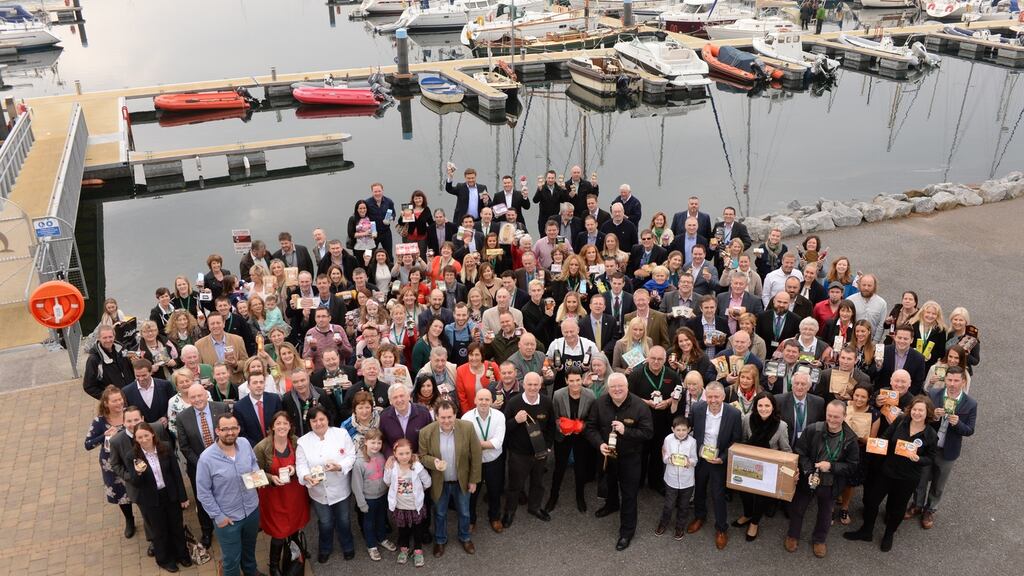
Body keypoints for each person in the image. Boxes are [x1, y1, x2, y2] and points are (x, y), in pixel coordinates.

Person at [844, 395, 937, 551]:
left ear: (927, 413)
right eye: (915, 409)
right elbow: (886, 437)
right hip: (887, 471)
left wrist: (918, 459)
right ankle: (866, 531)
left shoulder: (930, 434)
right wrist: (876, 444)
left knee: (897, 508)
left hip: (907, 477)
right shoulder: (901, 421)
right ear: (910, 410)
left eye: (921, 410)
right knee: (872, 501)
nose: (917, 413)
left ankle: (889, 535)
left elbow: (931, 458)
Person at [586, 372, 654, 550]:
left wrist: (626, 431)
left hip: (630, 458)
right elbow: (590, 428)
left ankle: (627, 532)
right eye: (613, 387)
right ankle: (611, 505)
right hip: (608, 455)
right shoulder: (599, 403)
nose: (616, 390)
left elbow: (648, 433)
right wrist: (599, 444)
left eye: (620, 386)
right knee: (609, 483)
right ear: (608, 388)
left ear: (627, 387)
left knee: (629, 495)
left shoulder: (640, 406)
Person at [785, 400, 859, 558]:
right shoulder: (813, 429)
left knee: (825, 514)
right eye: (829, 415)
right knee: (798, 509)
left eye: (836, 417)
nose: (832, 420)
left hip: (831, 484)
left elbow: (852, 466)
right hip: (809, 478)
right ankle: (793, 535)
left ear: (844, 416)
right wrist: (808, 471)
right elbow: (800, 452)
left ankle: (819, 540)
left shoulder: (851, 439)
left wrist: (831, 467)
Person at [119, 423, 192, 573]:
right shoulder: (132, 456)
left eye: (146, 435)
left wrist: (183, 497)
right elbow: (136, 483)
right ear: (136, 439)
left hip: (170, 494)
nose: (144, 439)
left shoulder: (165, 447)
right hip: (151, 499)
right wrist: (138, 473)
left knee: (177, 526)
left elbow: (176, 474)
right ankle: (165, 559)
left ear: (152, 434)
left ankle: (182, 554)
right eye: (140, 437)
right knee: (160, 531)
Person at [196, 413, 262, 576]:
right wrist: (218, 517)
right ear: (217, 431)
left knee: (249, 550)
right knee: (231, 559)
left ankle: (250, 571)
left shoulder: (245, 444)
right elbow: (203, 492)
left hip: (251, 510)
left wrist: (255, 474)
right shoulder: (206, 458)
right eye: (225, 429)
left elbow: (253, 462)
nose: (230, 432)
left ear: (238, 429)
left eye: (234, 428)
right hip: (228, 518)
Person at [910, 367, 976, 530]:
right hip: (928, 447)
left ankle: (930, 510)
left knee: (939, 484)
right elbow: (920, 420)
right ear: (945, 380)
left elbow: (969, 430)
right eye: (949, 380)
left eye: (956, 380)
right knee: (921, 478)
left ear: (963, 381)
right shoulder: (933, 395)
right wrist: (933, 417)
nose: (952, 384)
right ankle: (917, 505)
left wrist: (958, 423)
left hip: (948, 451)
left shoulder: (971, 403)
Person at [418, 399, 482, 557]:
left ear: (455, 415)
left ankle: (465, 537)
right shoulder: (426, 432)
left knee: (465, 512)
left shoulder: (467, 427)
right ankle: (440, 540)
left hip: (462, 480)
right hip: (440, 482)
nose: (446, 421)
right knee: (440, 513)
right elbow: (422, 456)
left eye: (450, 417)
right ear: (436, 417)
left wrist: (473, 480)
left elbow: (476, 454)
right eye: (442, 417)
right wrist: (434, 462)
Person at [686, 382, 742, 550]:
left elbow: (736, 440)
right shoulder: (697, 408)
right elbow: (688, 427)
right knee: (700, 489)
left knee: (718, 494)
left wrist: (723, 458)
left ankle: (721, 528)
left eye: (716, 396)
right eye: (710, 396)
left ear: (723, 397)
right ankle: (699, 516)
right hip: (701, 457)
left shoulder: (733, 413)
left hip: (718, 459)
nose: (713, 400)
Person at [297, 406, 358, 562]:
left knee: (344, 520)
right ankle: (325, 548)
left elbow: (351, 456)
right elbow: (301, 465)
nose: (318, 423)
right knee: (325, 522)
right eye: (314, 420)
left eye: (321, 419)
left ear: (327, 419)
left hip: (340, 488)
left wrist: (339, 466)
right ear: (309, 423)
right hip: (318, 491)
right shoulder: (303, 441)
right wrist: (306, 477)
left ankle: (347, 546)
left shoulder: (341, 434)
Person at [254, 411, 311, 575]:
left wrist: (295, 469)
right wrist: (271, 478)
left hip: (295, 494)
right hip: (274, 496)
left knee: (294, 526)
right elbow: (253, 473)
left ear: (290, 426)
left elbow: (304, 463)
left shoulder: (296, 442)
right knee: (279, 532)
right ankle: (273, 565)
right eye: (278, 423)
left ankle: (294, 552)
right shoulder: (262, 447)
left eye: (285, 423)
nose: (282, 426)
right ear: (272, 426)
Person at [175, 383, 230, 548]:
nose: (197, 399)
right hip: (198, 467)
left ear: (206, 395)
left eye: (200, 395)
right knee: (203, 500)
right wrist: (202, 464)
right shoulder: (182, 417)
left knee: (227, 493)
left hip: (225, 463)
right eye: (193, 397)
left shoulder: (222, 408)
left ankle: (231, 522)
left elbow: (230, 434)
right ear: (189, 399)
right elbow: (184, 446)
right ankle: (207, 532)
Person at [734, 392, 791, 541]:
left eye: (767, 405)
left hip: (768, 469)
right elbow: (743, 440)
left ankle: (754, 522)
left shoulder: (781, 426)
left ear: (773, 407)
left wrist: (790, 469)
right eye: (760, 405)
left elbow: (785, 450)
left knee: (760, 497)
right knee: (744, 492)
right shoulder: (747, 419)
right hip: (749, 464)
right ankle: (747, 514)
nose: (763, 408)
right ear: (755, 406)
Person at [502, 372, 555, 527]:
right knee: (515, 485)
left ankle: (535, 507)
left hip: (540, 452)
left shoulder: (546, 402)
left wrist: (549, 446)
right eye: (529, 384)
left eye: (535, 384)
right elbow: (503, 427)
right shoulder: (513, 402)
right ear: (523, 385)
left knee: (538, 482)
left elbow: (551, 426)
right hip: (519, 453)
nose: (532, 387)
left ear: (540, 385)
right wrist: (515, 421)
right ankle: (510, 511)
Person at [83, 386, 134, 539]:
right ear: (106, 403)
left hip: (132, 458)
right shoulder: (100, 421)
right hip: (112, 462)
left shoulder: (130, 413)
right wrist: (103, 435)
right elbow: (88, 444)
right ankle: (129, 520)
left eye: (120, 399)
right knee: (121, 493)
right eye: (114, 401)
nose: (119, 403)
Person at [549, 367, 596, 513]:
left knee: (580, 468)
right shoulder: (557, 395)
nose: (575, 384)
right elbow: (554, 417)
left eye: (577, 380)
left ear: (582, 379)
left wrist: (581, 426)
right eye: (571, 381)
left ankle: (580, 496)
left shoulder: (590, 395)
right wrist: (561, 427)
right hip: (563, 436)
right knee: (559, 468)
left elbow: (592, 419)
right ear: (566, 381)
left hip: (581, 437)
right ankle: (553, 496)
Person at [462, 388, 507, 532]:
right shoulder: (466, 418)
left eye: (487, 399)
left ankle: (494, 517)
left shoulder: (499, 416)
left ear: (492, 401)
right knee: (472, 493)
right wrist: (485, 444)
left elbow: (497, 443)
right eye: (480, 399)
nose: (483, 402)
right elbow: (465, 444)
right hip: (474, 462)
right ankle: (471, 520)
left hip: (494, 461)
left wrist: (475, 444)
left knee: (494, 491)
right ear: (475, 400)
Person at [384, 438, 432, 567]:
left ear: (412, 453)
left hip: (415, 505)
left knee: (418, 529)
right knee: (403, 530)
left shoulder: (417, 466)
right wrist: (388, 470)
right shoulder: (392, 466)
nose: (404, 457)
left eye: (407, 453)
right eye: (400, 454)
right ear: (395, 454)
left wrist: (420, 491)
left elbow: (427, 481)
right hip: (400, 506)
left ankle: (417, 550)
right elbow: (387, 481)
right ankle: (404, 549)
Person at [350, 429, 395, 562]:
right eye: (372, 442)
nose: (376, 446)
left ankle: (382, 538)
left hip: (382, 496)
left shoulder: (381, 457)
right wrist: (361, 503)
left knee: (381, 518)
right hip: (368, 499)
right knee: (368, 523)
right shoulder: (359, 462)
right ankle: (371, 545)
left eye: (379, 443)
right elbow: (356, 485)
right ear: (366, 442)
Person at [658, 416, 697, 540]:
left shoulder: (693, 441)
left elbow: (695, 459)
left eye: (684, 430)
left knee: (684, 506)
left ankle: (680, 526)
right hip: (671, 479)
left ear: (689, 429)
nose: (681, 433)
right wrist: (669, 459)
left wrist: (689, 462)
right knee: (669, 505)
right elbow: (664, 456)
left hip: (687, 480)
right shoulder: (668, 439)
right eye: (678, 430)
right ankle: (663, 523)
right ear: (672, 429)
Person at [379, 383, 433, 458]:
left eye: (402, 396)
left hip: (419, 459)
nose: (399, 400)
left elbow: (430, 438)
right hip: (396, 460)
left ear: (409, 397)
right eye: (395, 397)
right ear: (390, 401)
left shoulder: (423, 413)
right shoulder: (384, 417)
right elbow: (383, 441)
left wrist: (419, 455)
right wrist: (390, 455)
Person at [874, 324, 928, 395]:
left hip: (905, 399)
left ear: (911, 340)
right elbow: (872, 375)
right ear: (895, 337)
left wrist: (903, 397)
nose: (902, 341)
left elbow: (918, 383)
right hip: (883, 394)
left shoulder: (919, 358)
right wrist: (878, 367)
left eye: (905, 339)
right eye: (899, 338)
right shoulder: (883, 351)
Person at [83, 325, 134, 398]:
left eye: (110, 337)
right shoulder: (94, 359)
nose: (108, 340)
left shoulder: (121, 349)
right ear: (99, 338)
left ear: (114, 336)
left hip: (131, 394)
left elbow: (130, 370)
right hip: (115, 401)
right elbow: (89, 386)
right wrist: (107, 398)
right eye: (104, 337)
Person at [122, 359, 176, 426]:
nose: (141, 379)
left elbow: (174, 405)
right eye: (137, 376)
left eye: (144, 375)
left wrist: (166, 417)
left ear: (151, 372)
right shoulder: (127, 391)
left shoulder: (165, 385)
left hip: (165, 430)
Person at [234, 373, 283, 448]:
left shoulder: (274, 399)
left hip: (276, 446)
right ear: (248, 386)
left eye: (261, 382)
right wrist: (259, 447)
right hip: (253, 449)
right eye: (255, 382)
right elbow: (241, 433)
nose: (259, 385)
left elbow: (281, 422)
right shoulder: (239, 407)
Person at [282, 369, 335, 436]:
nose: (300, 384)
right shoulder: (287, 399)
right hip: (300, 439)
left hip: (322, 436)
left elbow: (331, 416)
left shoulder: (321, 394)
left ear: (308, 379)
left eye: (302, 380)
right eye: (295, 382)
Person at [756, 292, 801, 358]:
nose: (781, 305)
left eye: (785, 303)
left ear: (790, 303)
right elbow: (758, 336)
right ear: (774, 301)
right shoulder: (762, 317)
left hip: (785, 357)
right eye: (779, 301)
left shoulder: (796, 319)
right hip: (764, 354)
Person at [847, 274, 888, 342]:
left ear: (874, 286)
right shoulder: (850, 300)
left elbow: (881, 326)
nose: (866, 288)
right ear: (859, 285)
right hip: (852, 341)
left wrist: (875, 342)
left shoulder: (882, 303)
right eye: (864, 285)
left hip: (871, 342)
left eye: (869, 285)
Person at [341, 391, 381, 456]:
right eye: (360, 408)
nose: (364, 411)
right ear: (355, 409)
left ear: (372, 408)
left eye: (367, 407)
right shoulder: (346, 426)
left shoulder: (381, 419)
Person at [908, 300, 947, 368]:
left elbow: (941, 351)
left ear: (937, 316)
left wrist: (931, 356)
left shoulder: (940, 330)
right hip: (911, 361)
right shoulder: (912, 325)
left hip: (929, 365)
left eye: (934, 314)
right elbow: (905, 342)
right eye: (928, 312)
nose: (930, 316)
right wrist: (913, 351)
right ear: (922, 312)